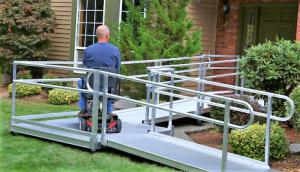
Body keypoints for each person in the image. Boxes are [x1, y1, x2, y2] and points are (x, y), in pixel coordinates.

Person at [78, 25, 121, 116]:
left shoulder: (88, 50)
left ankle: (83, 109)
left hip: (91, 84)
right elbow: (117, 69)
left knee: (80, 82)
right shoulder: (115, 50)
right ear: (107, 35)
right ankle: (108, 111)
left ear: (97, 35)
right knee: (111, 82)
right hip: (108, 85)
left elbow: (85, 64)